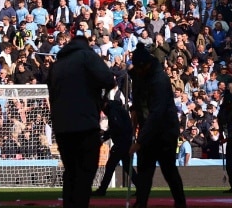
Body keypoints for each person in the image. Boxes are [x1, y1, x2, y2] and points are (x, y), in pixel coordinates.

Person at [48, 27, 115, 208]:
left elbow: (51, 95)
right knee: (85, 171)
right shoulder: (87, 56)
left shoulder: (57, 64)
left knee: (70, 172)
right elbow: (109, 79)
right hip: (85, 123)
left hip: (62, 126)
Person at [129, 45, 186, 208]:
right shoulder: (140, 76)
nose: (138, 71)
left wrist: (140, 140)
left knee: (168, 169)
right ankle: (141, 203)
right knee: (144, 170)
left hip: (165, 130)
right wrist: (134, 110)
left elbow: (156, 113)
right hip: (148, 127)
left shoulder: (159, 80)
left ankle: (180, 203)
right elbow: (138, 99)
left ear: (146, 64)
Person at [93, 92, 133, 197]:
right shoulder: (115, 109)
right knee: (127, 166)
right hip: (125, 141)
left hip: (122, 142)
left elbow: (117, 127)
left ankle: (102, 190)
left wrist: (105, 134)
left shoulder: (113, 111)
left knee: (110, 165)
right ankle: (141, 187)